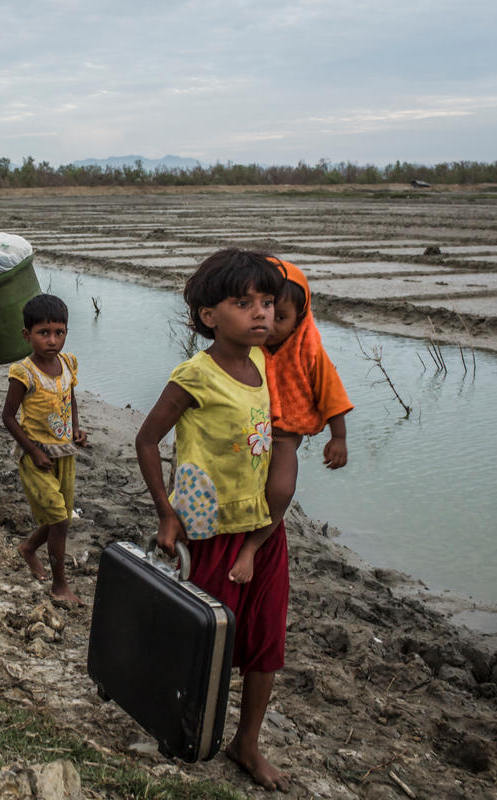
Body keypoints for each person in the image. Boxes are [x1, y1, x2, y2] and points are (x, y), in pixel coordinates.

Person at [134, 249, 291, 792]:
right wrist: (165, 511)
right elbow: (148, 440)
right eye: (243, 302)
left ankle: (246, 743)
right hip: (209, 530)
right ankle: (181, 724)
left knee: (266, 642)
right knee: (204, 640)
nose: (260, 314)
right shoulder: (194, 374)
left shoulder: (265, 363)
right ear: (208, 316)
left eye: (267, 302)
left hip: (263, 530)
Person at [227, 258, 354, 583]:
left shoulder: (309, 351)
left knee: (281, 490)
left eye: (281, 317)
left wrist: (337, 437)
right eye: (266, 311)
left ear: (300, 318)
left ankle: (253, 547)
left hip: (283, 437)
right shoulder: (246, 345)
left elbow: (332, 395)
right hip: (243, 435)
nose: (270, 324)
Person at [3, 294, 88, 606]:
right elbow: (8, 417)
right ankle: (60, 584)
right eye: (44, 333)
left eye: (59, 332)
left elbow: (70, 398)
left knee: (60, 516)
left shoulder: (67, 363)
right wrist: (34, 451)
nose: (52, 340)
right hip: (36, 456)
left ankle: (28, 547)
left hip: (65, 454)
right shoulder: (24, 372)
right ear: (27, 335)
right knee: (61, 521)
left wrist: (76, 428)